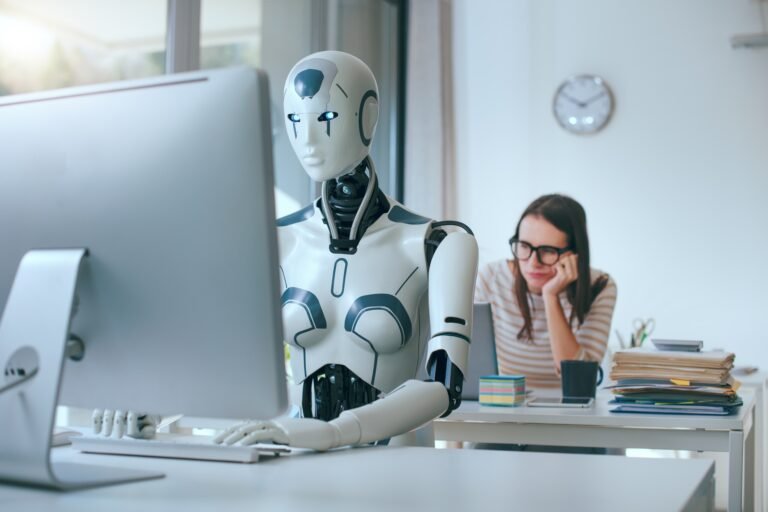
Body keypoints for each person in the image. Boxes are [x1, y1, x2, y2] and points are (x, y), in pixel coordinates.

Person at [94, 51, 479, 450]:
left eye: (325, 118)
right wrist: (154, 404)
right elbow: (224, 356)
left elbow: (444, 386)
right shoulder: (275, 240)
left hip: (393, 468)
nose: (307, 140)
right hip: (294, 451)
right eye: (295, 121)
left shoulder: (439, 242)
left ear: (368, 115)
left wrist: (332, 432)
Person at [475, 194, 617, 391]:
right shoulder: (491, 279)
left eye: (548, 250)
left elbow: (579, 379)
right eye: (524, 246)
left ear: (574, 254)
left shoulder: (600, 286)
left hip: (573, 411)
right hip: (508, 407)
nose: (533, 262)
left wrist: (550, 296)